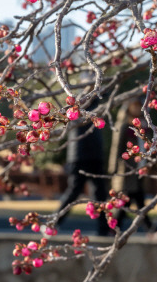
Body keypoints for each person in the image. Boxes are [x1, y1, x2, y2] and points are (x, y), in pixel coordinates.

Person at [108, 97, 157, 239]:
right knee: (134, 202)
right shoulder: (124, 127)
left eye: (138, 106)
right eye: (133, 106)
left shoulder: (145, 126)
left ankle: (114, 229)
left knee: (128, 203)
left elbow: (151, 147)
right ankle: (150, 230)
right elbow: (117, 149)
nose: (135, 109)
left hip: (141, 170)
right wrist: (114, 169)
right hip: (128, 172)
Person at [57, 97, 110, 236]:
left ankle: (103, 229)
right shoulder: (76, 105)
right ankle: (54, 222)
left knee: (100, 194)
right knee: (74, 192)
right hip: (79, 156)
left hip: (95, 156)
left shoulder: (98, 103)